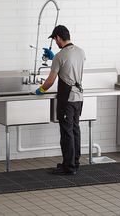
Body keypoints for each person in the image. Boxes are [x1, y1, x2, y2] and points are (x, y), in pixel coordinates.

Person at [36, 25, 86, 175]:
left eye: (55, 39)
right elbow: (70, 64)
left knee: (66, 133)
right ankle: (74, 163)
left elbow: (50, 81)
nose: (55, 42)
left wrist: (40, 90)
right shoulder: (80, 52)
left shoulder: (60, 56)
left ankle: (68, 167)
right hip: (79, 98)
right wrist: (54, 59)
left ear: (58, 38)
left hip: (67, 99)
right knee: (75, 130)